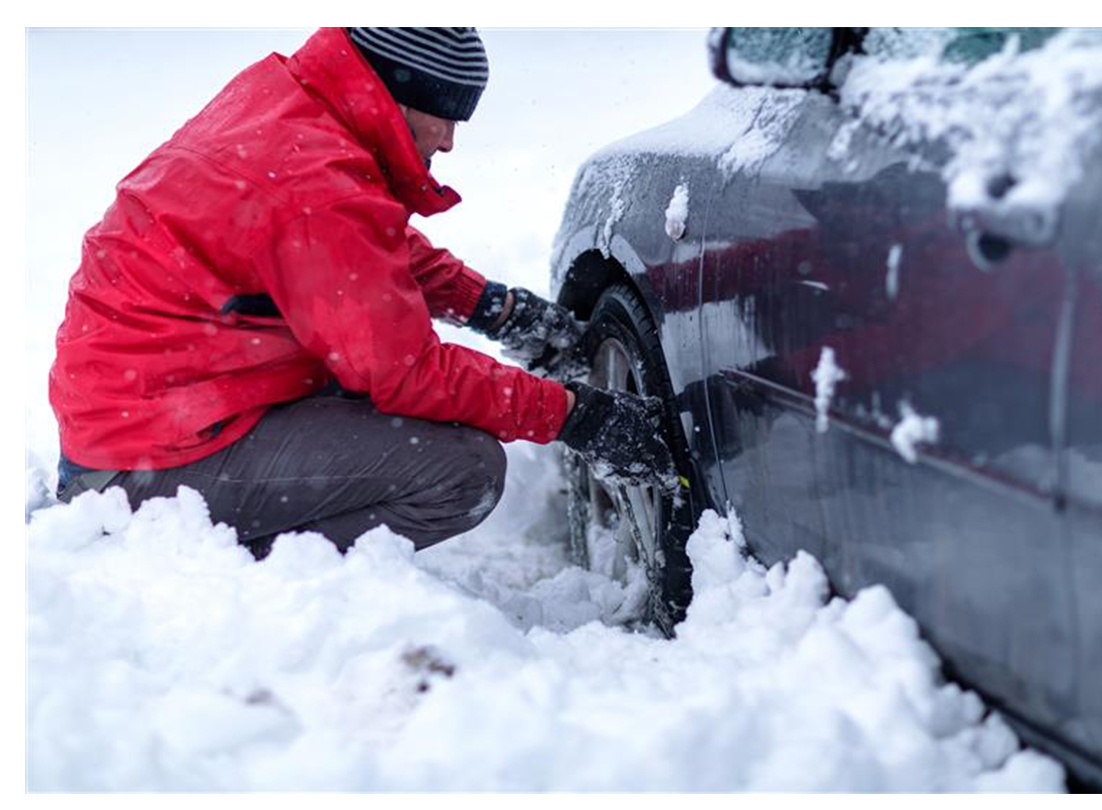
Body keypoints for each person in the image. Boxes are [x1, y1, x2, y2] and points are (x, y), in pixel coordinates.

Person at [49, 26, 674, 558]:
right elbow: (409, 373)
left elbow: (357, 255)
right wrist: (576, 416)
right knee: (464, 471)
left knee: (364, 389)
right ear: (400, 90)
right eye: (448, 112)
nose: (451, 139)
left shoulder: (290, 106)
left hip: (140, 422)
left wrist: (496, 310)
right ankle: (222, 570)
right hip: (150, 464)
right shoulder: (318, 188)